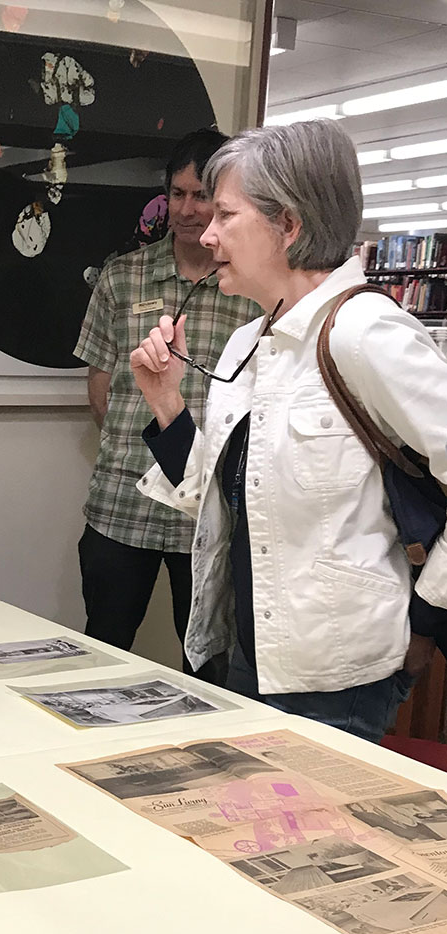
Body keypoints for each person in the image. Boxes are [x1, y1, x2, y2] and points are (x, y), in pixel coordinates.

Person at [129, 119, 447, 741]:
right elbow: (213, 500)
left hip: (336, 679)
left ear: (289, 226)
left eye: (225, 215)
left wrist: (427, 616)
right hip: (249, 656)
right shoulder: (251, 341)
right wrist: (166, 402)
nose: (207, 232)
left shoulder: (365, 335)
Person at [75, 129, 260, 674]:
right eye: (177, 194)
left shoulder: (247, 289)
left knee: (207, 662)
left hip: (206, 514)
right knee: (102, 651)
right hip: (121, 502)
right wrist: (131, 441)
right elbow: (100, 381)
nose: (188, 208)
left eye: (202, 195)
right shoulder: (123, 275)